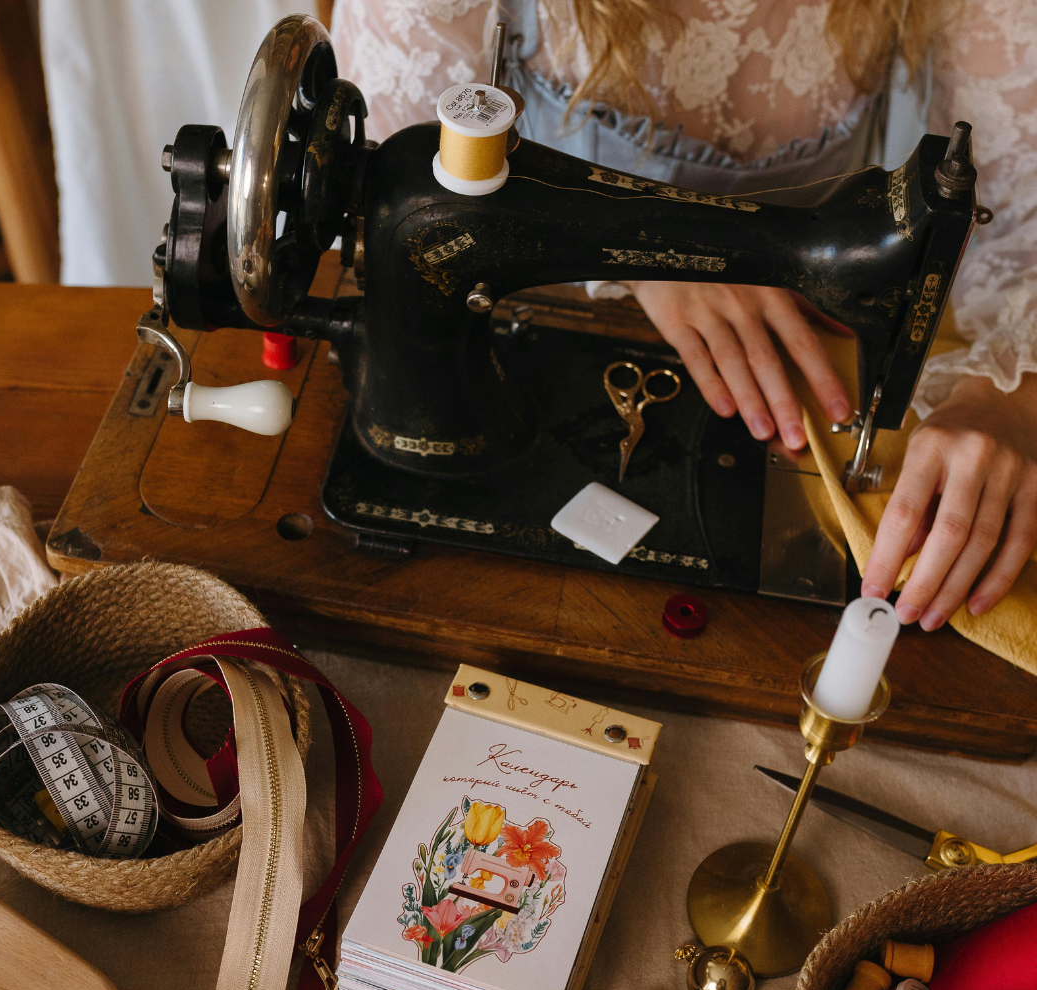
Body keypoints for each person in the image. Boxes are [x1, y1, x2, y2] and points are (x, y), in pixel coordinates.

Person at [331, 0, 1037, 631]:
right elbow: (390, 205)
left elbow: (1024, 226)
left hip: (788, 343)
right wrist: (636, 260)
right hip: (537, 324)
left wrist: (1009, 397)